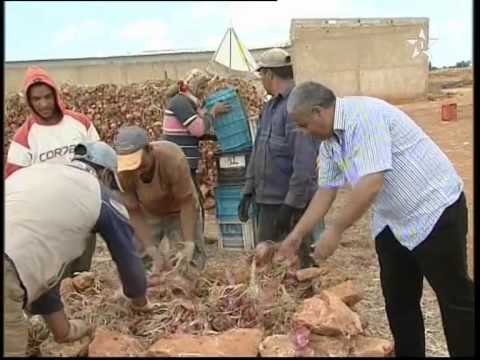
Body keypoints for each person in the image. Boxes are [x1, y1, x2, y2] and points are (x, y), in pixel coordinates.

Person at [275, 81, 474, 357]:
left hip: (434, 210)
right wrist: (294, 237)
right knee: (399, 302)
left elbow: (371, 183)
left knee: (454, 299)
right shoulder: (329, 141)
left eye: (303, 124)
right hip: (392, 219)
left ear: (319, 112)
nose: (302, 131)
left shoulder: (364, 117)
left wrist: (335, 230)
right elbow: (326, 191)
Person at [4, 141, 152, 357]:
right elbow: (128, 258)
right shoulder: (99, 194)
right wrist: (140, 302)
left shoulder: (35, 175)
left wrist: (65, 332)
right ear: (106, 176)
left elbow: (40, 271)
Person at [5, 66, 101, 277]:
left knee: (82, 271)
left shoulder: (80, 123)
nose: (44, 104)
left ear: (55, 95)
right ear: (29, 102)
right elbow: (13, 182)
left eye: (48, 97)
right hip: (48, 216)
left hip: (82, 206)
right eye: (37, 99)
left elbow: (99, 159)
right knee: (56, 275)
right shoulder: (24, 137)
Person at [238, 48, 320, 268]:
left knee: (297, 263)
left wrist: (291, 205)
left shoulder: (295, 108)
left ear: (270, 75)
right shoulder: (270, 107)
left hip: (290, 204)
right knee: (266, 264)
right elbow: (258, 151)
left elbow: (304, 164)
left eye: (262, 75)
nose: (262, 80)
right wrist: (248, 189)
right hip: (268, 202)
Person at [113, 125, 207, 275]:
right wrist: (150, 248)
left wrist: (189, 242)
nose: (137, 171)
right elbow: (133, 210)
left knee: (187, 261)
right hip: (148, 212)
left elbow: (186, 202)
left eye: (140, 165)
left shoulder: (173, 159)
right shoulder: (121, 172)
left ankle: (187, 289)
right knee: (138, 261)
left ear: (149, 150)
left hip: (179, 210)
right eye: (131, 167)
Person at [162, 68, 231, 182]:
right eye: (202, 88)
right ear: (192, 86)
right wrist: (213, 112)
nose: (203, 92)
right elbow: (198, 129)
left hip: (183, 162)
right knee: (186, 197)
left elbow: (198, 128)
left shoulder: (189, 102)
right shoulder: (181, 102)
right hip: (178, 163)